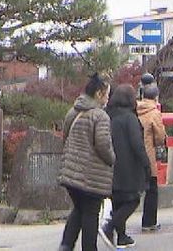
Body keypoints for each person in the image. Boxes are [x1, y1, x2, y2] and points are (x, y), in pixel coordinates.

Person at [58, 73, 115, 251]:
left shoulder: (73, 111)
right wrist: (112, 159)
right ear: (99, 94)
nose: (107, 98)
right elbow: (103, 144)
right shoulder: (100, 116)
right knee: (90, 214)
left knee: (79, 209)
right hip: (92, 175)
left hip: (70, 173)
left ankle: (66, 245)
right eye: (107, 94)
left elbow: (65, 137)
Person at [101, 84, 150, 249]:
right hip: (128, 166)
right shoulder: (129, 118)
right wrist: (146, 163)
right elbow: (137, 144)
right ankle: (110, 226)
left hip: (109, 163)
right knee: (133, 199)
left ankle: (122, 237)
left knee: (117, 200)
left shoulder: (107, 116)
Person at [136, 84, 167, 233]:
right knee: (152, 188)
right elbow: (160, 136)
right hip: (148, 154)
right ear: (156, 97)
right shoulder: (154, 112)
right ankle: (149, 221)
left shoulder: (134, 109)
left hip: (133, 153)